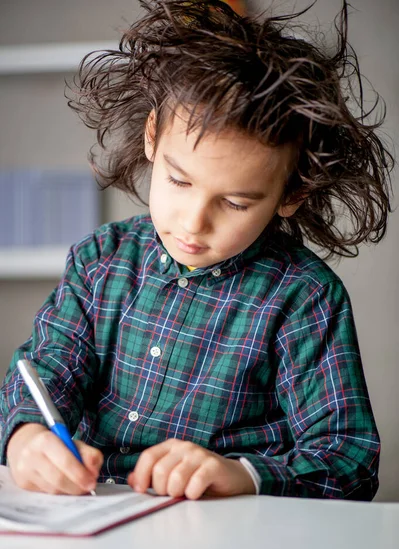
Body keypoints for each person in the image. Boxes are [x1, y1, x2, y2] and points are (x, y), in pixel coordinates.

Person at [0, 0, 393, 500]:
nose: (193, 221)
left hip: (232, 537)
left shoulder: (304, 297)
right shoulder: (100, 261)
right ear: (151, 139)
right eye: (178, 180)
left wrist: (243, 475)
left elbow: (347, 458)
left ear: (291, 195)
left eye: (234, 202)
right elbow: (48, 370)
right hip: (99, 515)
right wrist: (27, 435)